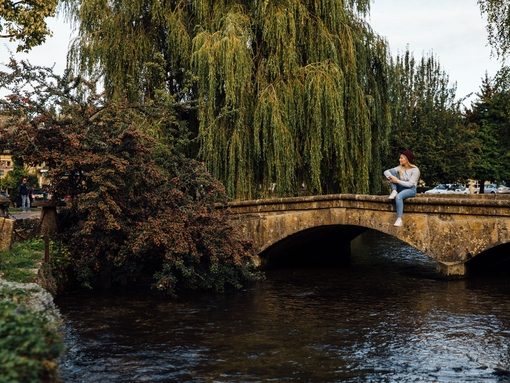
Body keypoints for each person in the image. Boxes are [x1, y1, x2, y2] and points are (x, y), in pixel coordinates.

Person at [383, 150, 420, 227]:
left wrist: (397, 181)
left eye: (401, 158)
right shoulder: (400, 167)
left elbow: (410, 184)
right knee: (392, 172)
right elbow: (386, 172)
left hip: (410, 190)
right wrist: (392, 177)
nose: (399, 159)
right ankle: (394, 190)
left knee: (399, 197)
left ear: (406, 159)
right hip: (401, 188)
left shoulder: (415, 170)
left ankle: (399, 219)